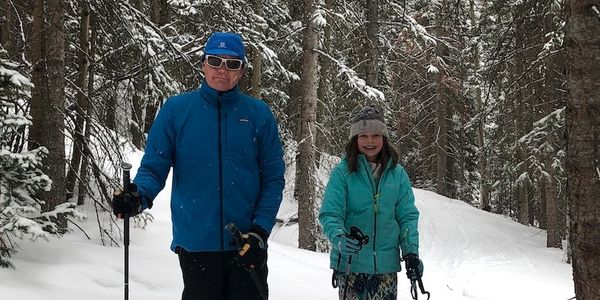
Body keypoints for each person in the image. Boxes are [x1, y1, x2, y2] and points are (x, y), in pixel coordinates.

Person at [111, 32, 285, 300]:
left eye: (232, 63)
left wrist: (260, 231)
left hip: (246, 242)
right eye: (215, 61)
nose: (222, 70)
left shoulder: (258, 114)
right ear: (203, 64)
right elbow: (154, 166)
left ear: (242, 70)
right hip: (196, 242)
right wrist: (139, 196)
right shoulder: (177, 110)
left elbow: (273, 178)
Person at [318, 106, 423, 300]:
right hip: (351, 266)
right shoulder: (342, 173)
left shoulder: (398, 174)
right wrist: (339, 238)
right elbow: (330, 214)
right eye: (363, 136)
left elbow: (407, 216)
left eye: (376, 135)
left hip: (386, 268)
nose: (370, 141)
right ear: (354, 140)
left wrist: (411, 253)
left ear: (384, 138)